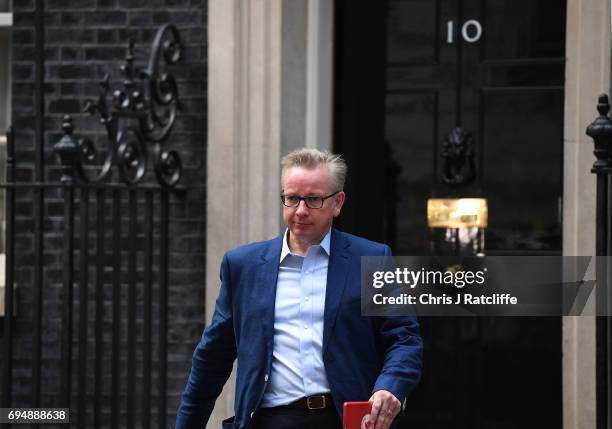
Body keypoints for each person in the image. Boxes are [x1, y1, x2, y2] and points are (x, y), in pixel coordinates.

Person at [175, 149, 422, 429]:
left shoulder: (372, 260)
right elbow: (212, 358)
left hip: (343, 420)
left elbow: (403, 338)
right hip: (268, 421)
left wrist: (390, 387)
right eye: (292, 198)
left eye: (314, 199)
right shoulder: (243, 266)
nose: (301, 210)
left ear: (337, 202)